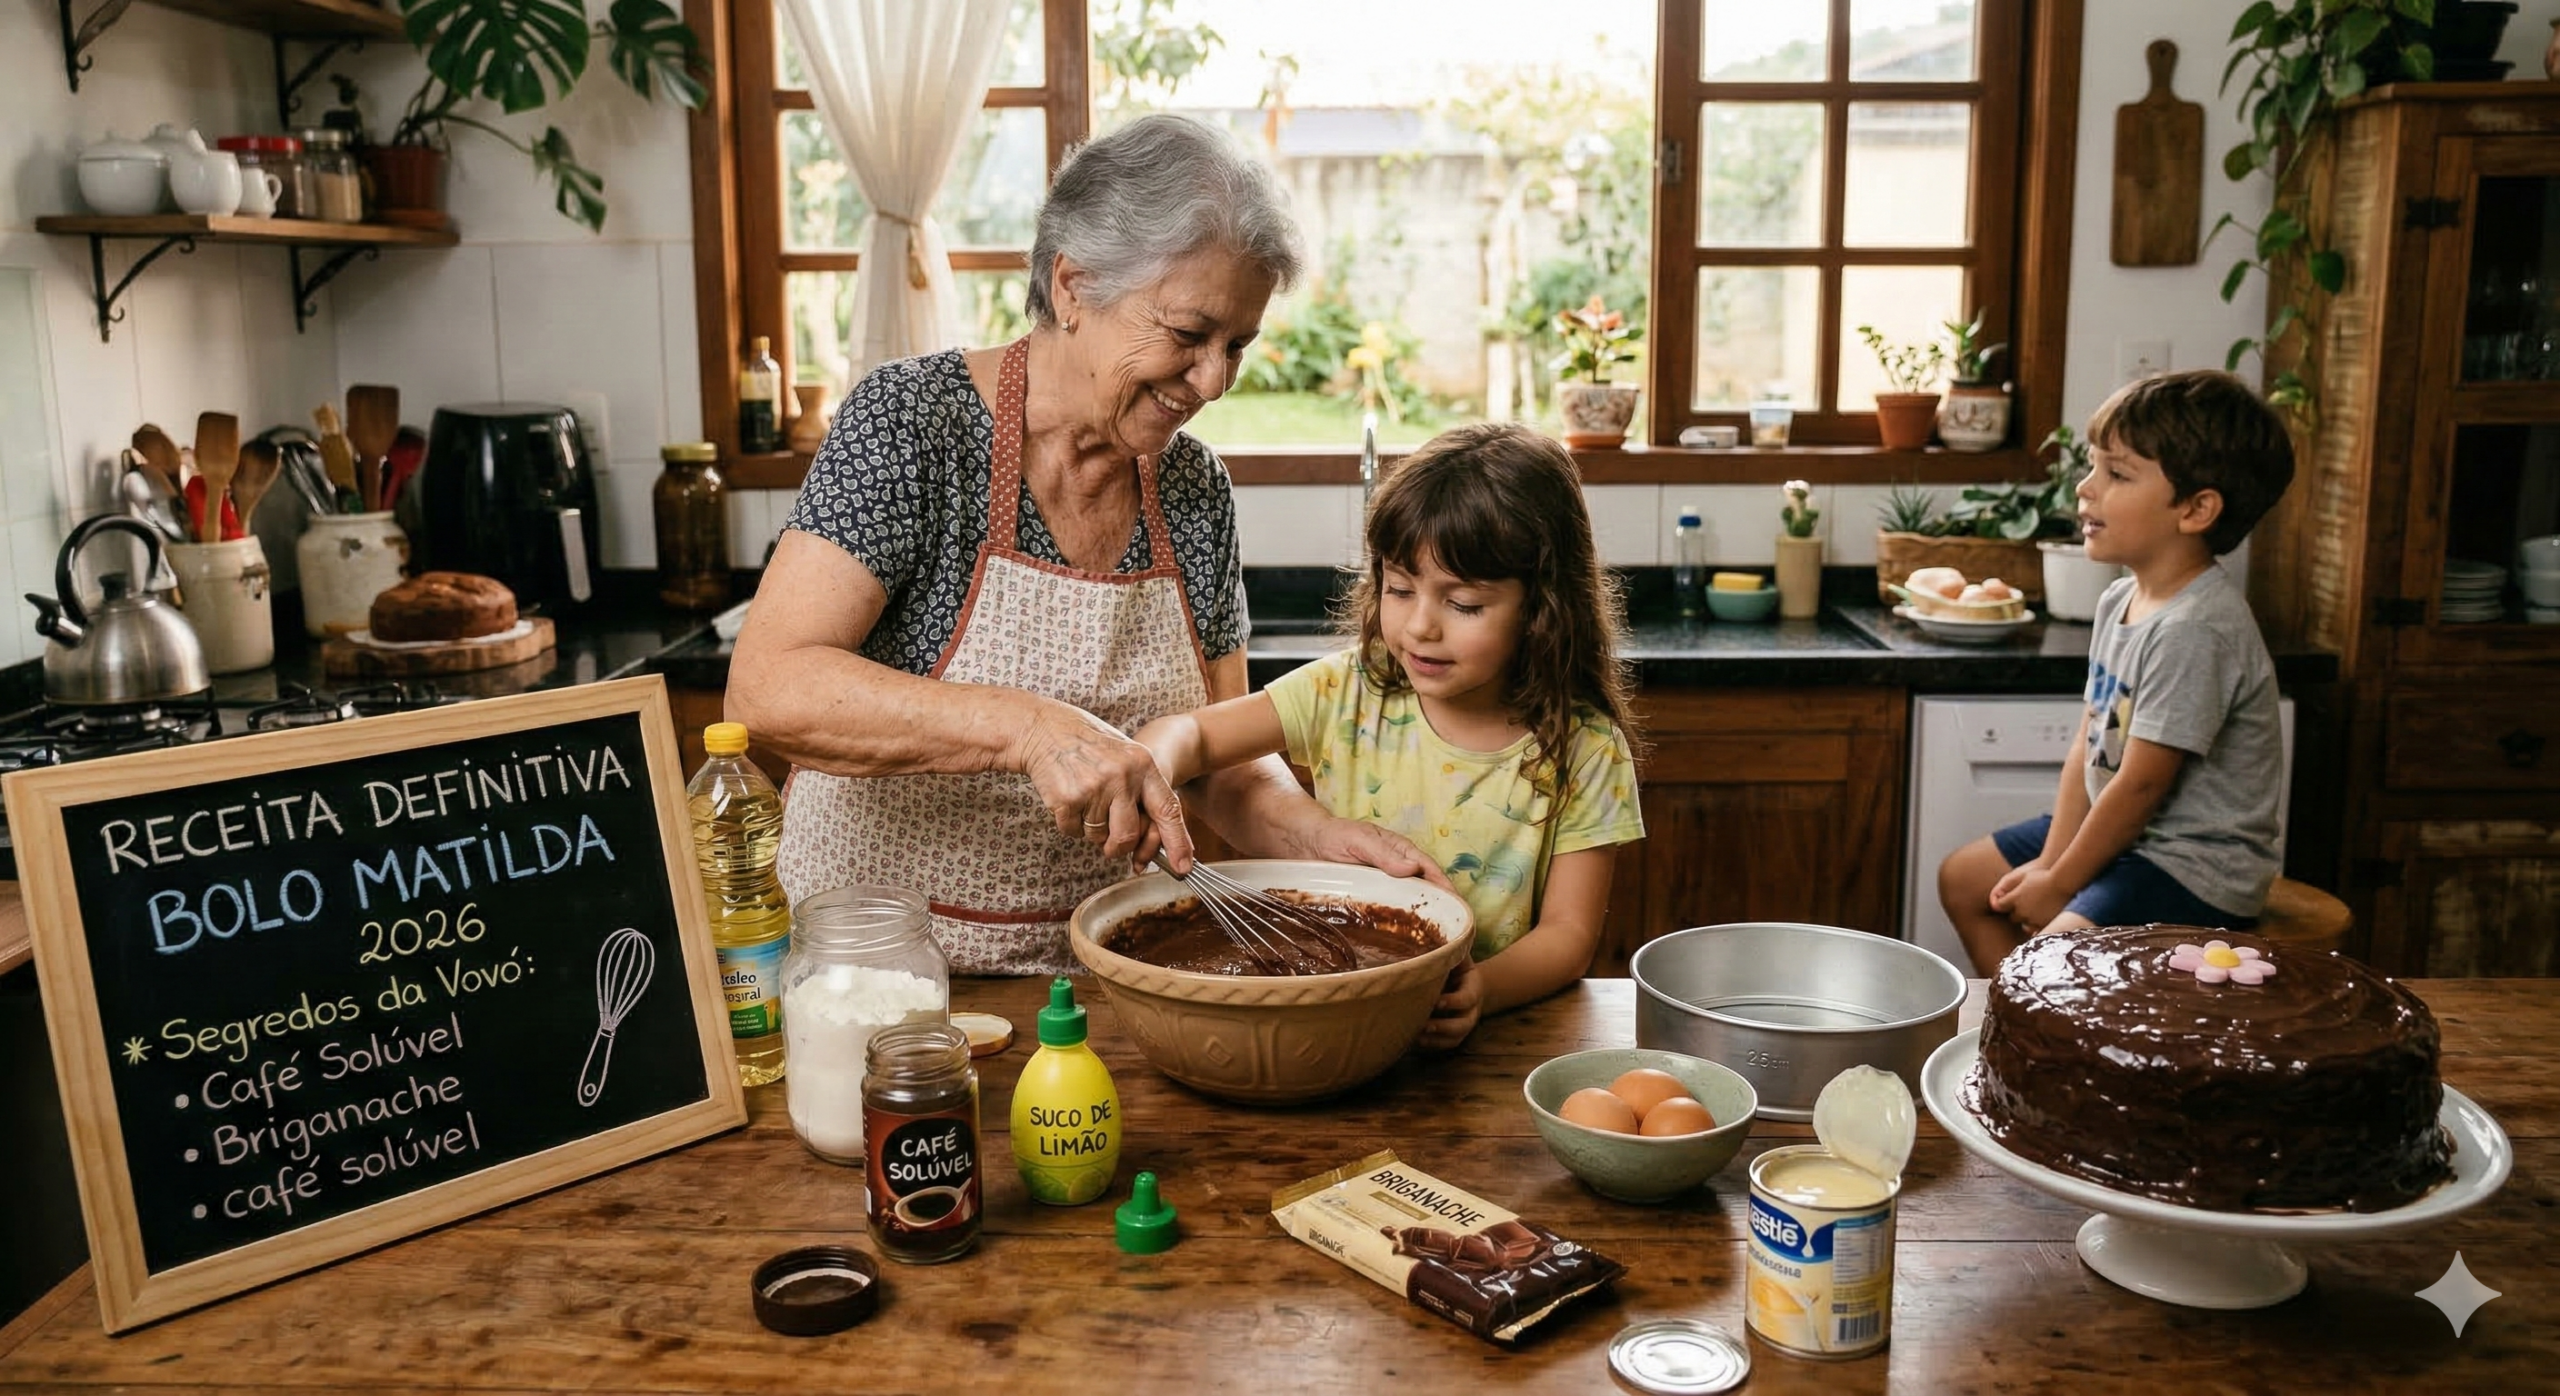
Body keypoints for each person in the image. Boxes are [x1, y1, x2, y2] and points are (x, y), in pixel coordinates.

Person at [728, 114, 1441, 977]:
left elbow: (1228, 768)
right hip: (883, 982)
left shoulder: (1195, 490)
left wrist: (1320, 835)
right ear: (1073, 287)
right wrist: (1030, 729)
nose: (1214, 381)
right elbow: (769, 689)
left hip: (1107, 975)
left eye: (1238, 346)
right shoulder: (912, 425)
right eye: (1188, 334)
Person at [1137, 423, 1646, 1047]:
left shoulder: (1585, 749)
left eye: (1463, 604)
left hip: (1479, 1043)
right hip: (1334, 1017)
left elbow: (1568, 937)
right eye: (1399, 589)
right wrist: (1151, 764)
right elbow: (1187, 731)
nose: (1421, 627)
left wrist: (1483, 991)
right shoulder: (1346, 692)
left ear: (1542, 609)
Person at [1938, 369, 2297, 975]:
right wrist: (2052, 866)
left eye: (2117, 473)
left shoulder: (2195, 628)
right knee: (1964, 879)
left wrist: (2058, 885)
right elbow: (2089, 747)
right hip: (2135, 840)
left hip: (2192, 863)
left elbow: (2140, 787)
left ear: (2196, 508)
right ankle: (2018, 1031)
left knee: (2048, 960)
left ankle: (2042, 1037)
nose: (2086, 488)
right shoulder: (2119, 600)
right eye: (2093, 466)